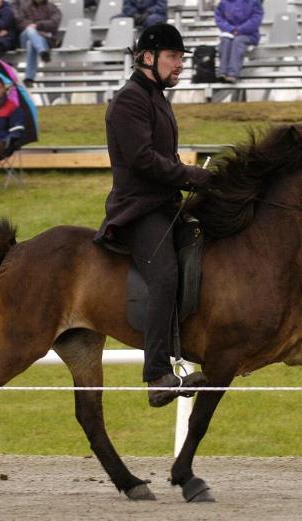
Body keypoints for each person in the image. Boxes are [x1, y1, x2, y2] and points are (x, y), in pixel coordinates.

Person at [94, 24, 213, 408]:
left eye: (181, 58)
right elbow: (144, 161)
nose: (180, 65)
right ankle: (157, 375)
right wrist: (193, 176)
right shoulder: (129, 100)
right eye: (173, 57)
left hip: (165, 206)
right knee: (164, 275)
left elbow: (165, 157)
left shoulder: (157, 97)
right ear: (148, 57)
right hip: (139, 211)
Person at [214, 0, 263, 83]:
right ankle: (222, 72)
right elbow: (219, 19)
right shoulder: (224, 3)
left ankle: (233, 74)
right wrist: (231, 29)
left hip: (249, 35)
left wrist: (239, 30)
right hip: (230, 33)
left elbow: (255, 20)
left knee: (238, 41)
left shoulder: (254, 2)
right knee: (225, 41)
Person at [16, 0, 62, 87]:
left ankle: (29, 78)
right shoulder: (25, 7)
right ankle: (42, 52)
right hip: (25, 37)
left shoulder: (52, 7)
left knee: (31, 43)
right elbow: (19, 22)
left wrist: (37, 25)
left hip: (44, 40)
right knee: (30, 31)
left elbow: (54, 24)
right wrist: (34, 28)